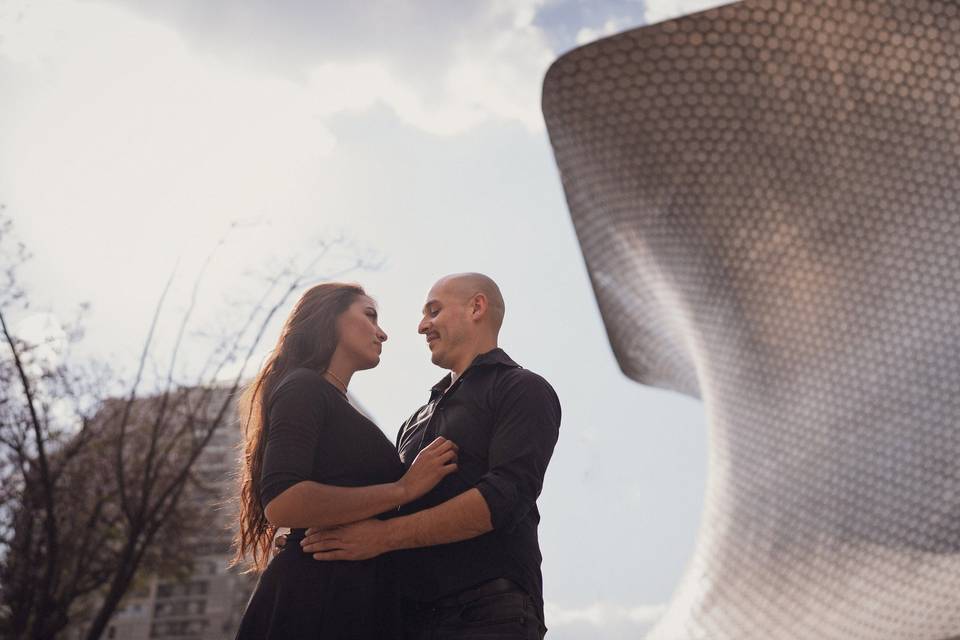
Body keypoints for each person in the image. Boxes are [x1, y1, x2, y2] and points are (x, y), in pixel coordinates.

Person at [301, 273, 561, 639]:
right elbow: (376, 510)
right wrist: (306, 540)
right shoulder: (411, 423)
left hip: (487, 614)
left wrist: (384, 536)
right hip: (405, 620)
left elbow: (505, 497)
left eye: (434, 311)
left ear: (476, 307)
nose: (422, 325)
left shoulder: (522, 388)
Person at [233, 282, 459, 640]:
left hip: (353, 601)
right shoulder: (303, 387)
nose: (382, 333)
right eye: (369, 316)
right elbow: (283, 500)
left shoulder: (334, 402)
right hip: (316, 601)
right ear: (329, 318)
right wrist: (404, 488)